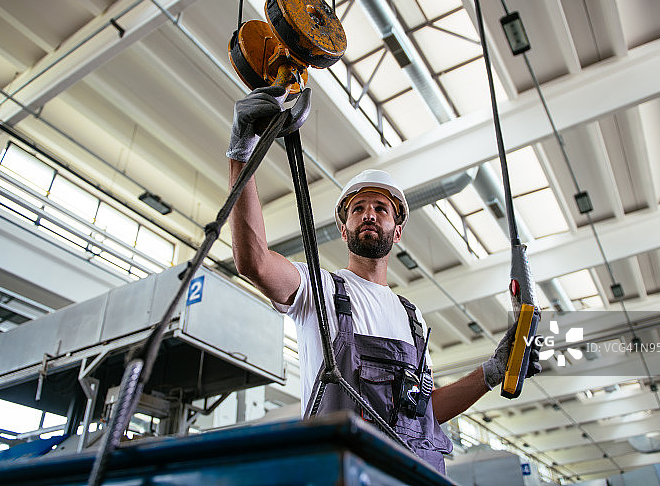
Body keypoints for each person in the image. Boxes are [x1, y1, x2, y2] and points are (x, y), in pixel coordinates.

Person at [227, 86, 540, 474]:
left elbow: (423, 415)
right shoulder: (319, 289)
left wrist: (490, 373)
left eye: (381, 208)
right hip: (344, 476)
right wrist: (242, 151)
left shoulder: (413, 318)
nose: (369, 214)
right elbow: (253, 261)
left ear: (398, 229)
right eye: (358, 208)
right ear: (344, 230)